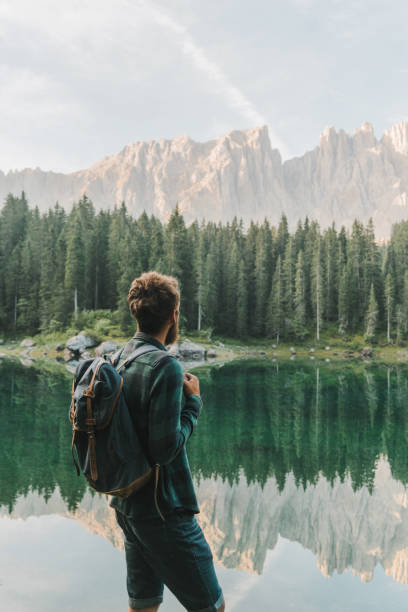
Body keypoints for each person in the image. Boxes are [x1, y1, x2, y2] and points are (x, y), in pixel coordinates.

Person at [111, 270, 225, 612]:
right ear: (173, 315)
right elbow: (165, 449)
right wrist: (193, 403)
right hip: (164, 511)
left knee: (143, 605)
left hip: (128, 505)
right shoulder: (165, 367)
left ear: (137, 312)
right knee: (211, 606)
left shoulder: (120, 358)